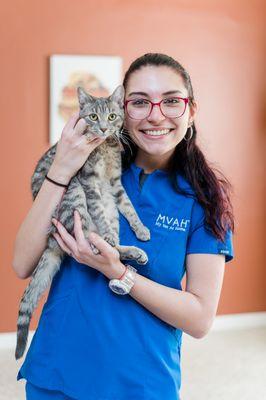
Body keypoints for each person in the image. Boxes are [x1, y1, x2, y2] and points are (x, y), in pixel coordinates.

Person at [13, 53, 234, 400]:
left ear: (191, 110)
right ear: (123, 110)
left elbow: (200, 319)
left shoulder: (205, 199)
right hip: (56, 374)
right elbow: (22, 263)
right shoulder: (87, 161)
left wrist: (118, 272)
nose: (155, 115)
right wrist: (61, 168)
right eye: (140, 102)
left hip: (139, 385)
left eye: (172, 101)